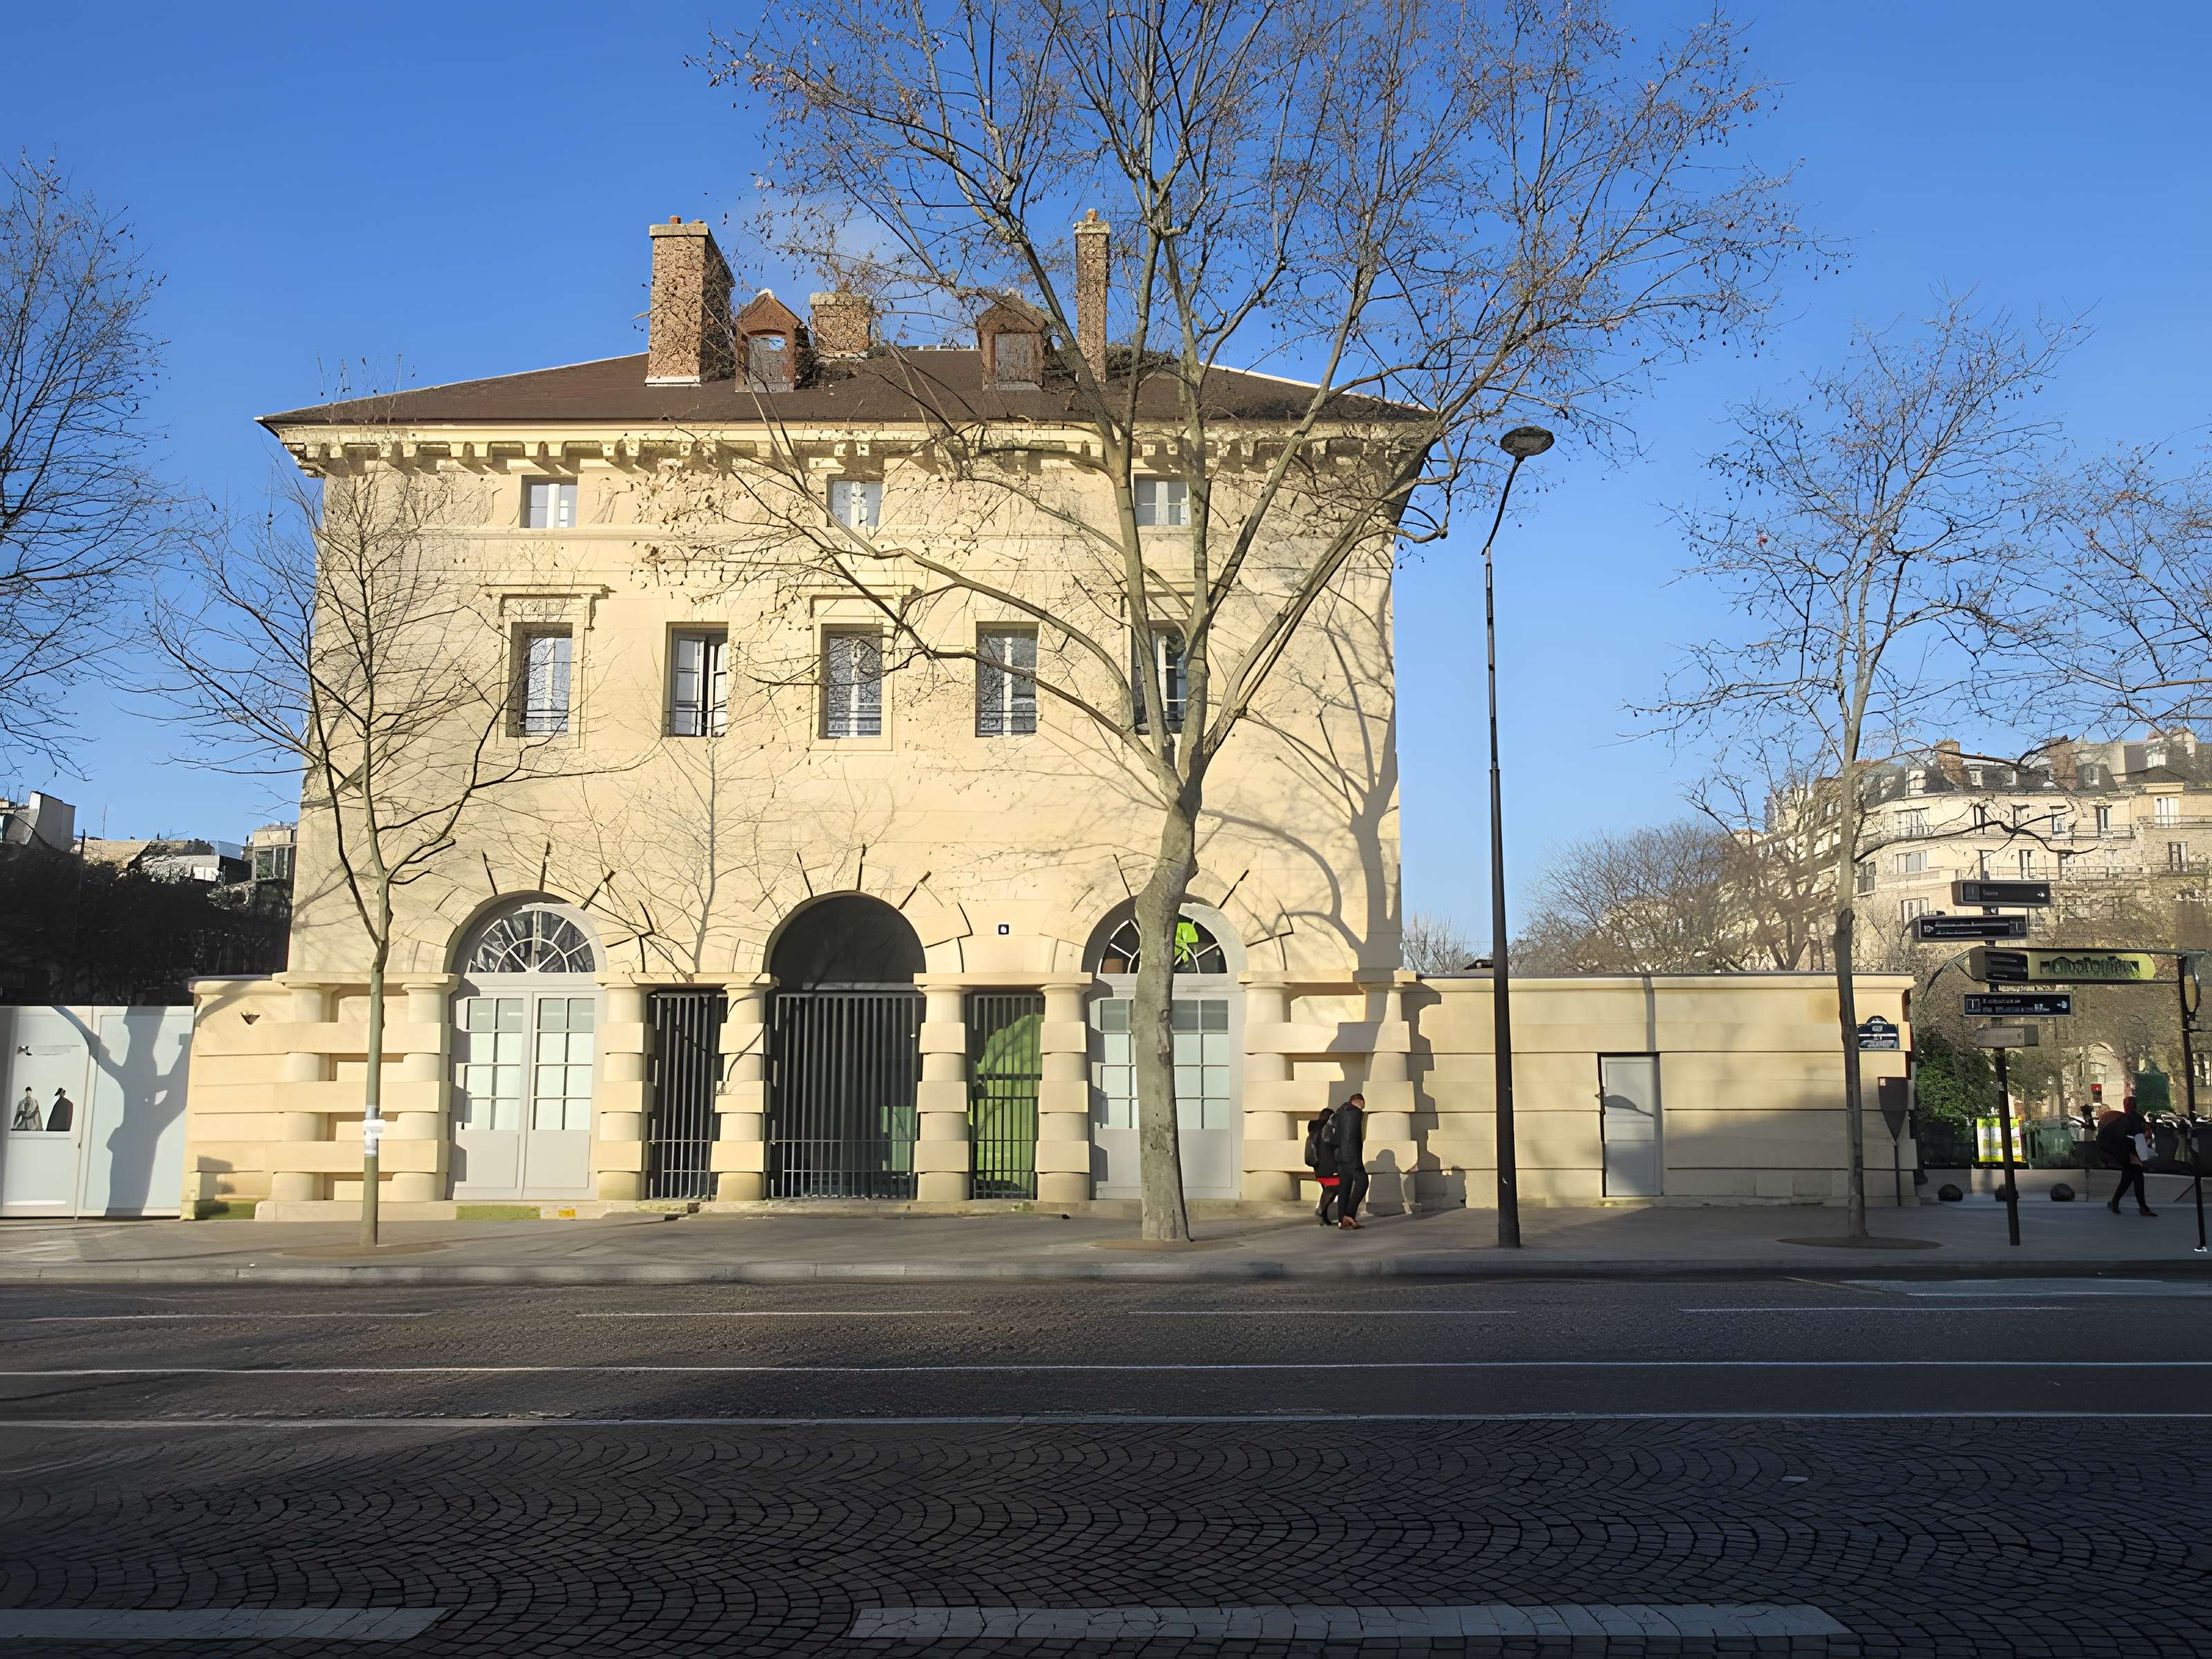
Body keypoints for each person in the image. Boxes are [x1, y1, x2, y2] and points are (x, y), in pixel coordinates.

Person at [2098, 1095, 2155, 1218]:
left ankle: (2116, 1202)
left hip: (2122, 1149)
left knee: (2129, 1176)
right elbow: (2137, 1140)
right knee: (2136, 1175)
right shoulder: (2133, 1119)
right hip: (2124, 1149)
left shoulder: (2127, 1118)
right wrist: (2141, 1155)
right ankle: (2142, 1207)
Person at [1330, 1091, 1369, 1230]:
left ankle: (1342, 1220)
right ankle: (1349, 1215)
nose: (1363, 1108)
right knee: (1363, 1181)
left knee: (1344, 1188)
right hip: (1351, 1156)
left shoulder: (1339, 1114)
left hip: (1340, 1156)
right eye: (1363, 1105)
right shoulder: (1354, 1114)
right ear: (1360, 1102)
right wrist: (1356, 1159)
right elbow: (1351, 1138)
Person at [1304, 1105, 1340, 1225]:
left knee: (1329, 1189)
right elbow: (1331, 1150)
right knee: (1333, 1189)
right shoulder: (1327, 1130)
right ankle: (1322, 1211)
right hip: (1329, 1167)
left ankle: (1324, 1216)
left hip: (1318, 1167)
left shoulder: (1313, 1130)